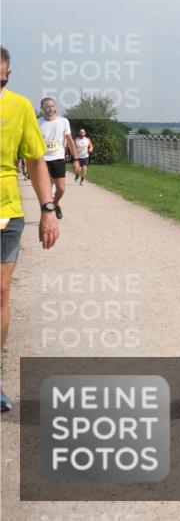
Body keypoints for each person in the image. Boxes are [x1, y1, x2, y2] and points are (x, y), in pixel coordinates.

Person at [1, 47, 60, 412]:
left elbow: (36, 160)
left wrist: (48, 209)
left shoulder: (20, 107)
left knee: (1, 292)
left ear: (7, 73)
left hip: (6, 213)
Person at [37, 98, 77, 220]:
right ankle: (50, 210)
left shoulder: (63, 121)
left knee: (61, 188)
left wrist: (76, 159)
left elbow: (69, 140)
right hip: (43, 159)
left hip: (58, 158)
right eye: (47, 107)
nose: (51, 109)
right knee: (47, 188)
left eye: (52, 106)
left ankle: (55, 204)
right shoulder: (37, 123)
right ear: (43, 109)